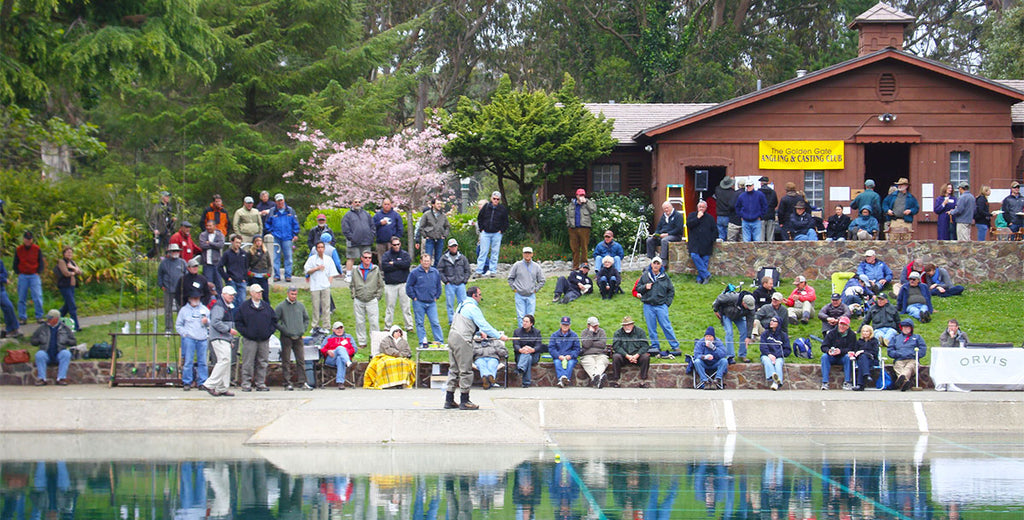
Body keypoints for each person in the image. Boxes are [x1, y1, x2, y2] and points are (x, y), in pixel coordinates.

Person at [445, 286, 508, 409]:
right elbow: (484, 324)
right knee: (466, 370)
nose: (481, 297)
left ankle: (449, 399)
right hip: (463, 339)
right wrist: (499, 336)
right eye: (479, 294)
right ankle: (465, 400)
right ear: (474, 295)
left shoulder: (461, 305)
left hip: (452, 337)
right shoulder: (472, 308)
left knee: (454, 370)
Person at [636, 257, 680, 358]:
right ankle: (655, 346)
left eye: (658, 264)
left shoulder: (665, 277)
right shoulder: (645, 276)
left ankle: (675, 346)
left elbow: (671, 291)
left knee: (666, 326)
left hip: (661, 306)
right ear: (651, 265)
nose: (656, 265)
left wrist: (666, 303)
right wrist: (645, 287)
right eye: (654, 263)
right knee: (651, 328)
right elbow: (638, 288)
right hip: (648, 305)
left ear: (661, 266)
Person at [236, 284, 276, 392]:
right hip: (250, 340)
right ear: (252, 293)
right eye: (257, 292)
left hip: (264, 339)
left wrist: (269, 332)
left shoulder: (266, 306)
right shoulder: (244, 307)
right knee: (248, 362)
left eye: (261, 292)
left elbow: (274, 320)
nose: (260, 294)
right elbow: (238, 322)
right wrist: (246, 333)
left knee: (263, 362)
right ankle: (246, 383)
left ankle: (260, 383)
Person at [275, 286, 311, 390]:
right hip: (286, 337)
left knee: (301, 360)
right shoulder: (281, 306)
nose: (294, 296)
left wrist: (302, 329)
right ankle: (287, 382)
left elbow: (306, 319)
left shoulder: (300, 306)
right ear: (288, 294)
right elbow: (275, 321)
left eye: (295, 294)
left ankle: (302, 382)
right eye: (292, 294)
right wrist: (284, 329)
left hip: (298, 336)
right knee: (286, 360)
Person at [204, 285, 238, 397]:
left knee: (226, 361)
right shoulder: (219, 306)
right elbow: (215, 322)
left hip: (225, 338)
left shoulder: (227, 306)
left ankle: (222, 388)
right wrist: (229, 330)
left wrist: (230, 339)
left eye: (233, 295)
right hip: (219, 337)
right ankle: (210, 384)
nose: (232, 297)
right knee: (224, 360)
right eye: (230, 294)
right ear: (223, 294)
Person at [406, 253, 444, 347]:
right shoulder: (414, 273)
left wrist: (437, 296)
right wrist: (414, 297)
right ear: (421, 261)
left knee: (435, 322)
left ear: (430, 262)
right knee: (420, 323)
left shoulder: (435, 272)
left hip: (431, 303)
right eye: (424, 261)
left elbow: (438, 286)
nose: (426, 263)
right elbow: (409, 286)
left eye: (428, 261)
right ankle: (422, 342)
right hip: (419, 302)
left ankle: (440, 341)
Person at [176, 291, 210, 391]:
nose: (196, 300)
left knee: (203, 362)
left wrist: (206, 322)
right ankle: (187, 382)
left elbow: (210, 323)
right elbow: (178, 325)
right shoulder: (183, 310)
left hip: (202, 339)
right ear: (189, 299)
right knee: (188, 361)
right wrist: (185, 334)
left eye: (197, 298)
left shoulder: (205, 309)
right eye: (194, 298)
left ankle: (203, 382)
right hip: (189, 338)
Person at [31, 309, 76, 385]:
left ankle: (61, 378)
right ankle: (42, 379)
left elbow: (73, 341)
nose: (48, 320)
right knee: (39, 354)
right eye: (48, 318)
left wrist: (66, 341)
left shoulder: (65, 328)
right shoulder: (42, 328)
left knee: (66, 353)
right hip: (46, 353)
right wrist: (38, 341)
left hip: (59, 353)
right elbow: (33, 340)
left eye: (50, 318)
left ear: (56, 319)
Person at [363, 325, 415, 389]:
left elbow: (407, 351)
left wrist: (401, 355)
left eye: (399, 332)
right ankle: (385, 383)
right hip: (387, 356)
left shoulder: (404, 342)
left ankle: (401, 383)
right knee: (385, 363)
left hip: (401, 357)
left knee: (405, 363)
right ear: (392, 332)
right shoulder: (386, 340)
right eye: (396, 332)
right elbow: (386, 349)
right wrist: (397, 353)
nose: (398, 333)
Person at [350, 250, 384, 348]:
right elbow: (352, 284)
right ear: (361, 258)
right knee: (359, 322)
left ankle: (375, 342)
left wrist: (377, 297)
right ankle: (362, 342)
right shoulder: (356, 270)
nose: (367, 259)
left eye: (369, 258)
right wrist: (354, 295)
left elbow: (380, 284)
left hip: (372, 299)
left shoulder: (375, 269)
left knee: (374, 322)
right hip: (359, 299)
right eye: (365, 257)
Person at [304, 242, 339, 333]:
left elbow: (332, 273)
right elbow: (307, 271)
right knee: (316, 306)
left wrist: (329, 283)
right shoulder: (311, 259)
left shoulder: (328, 259)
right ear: (316, 249)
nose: (320, 249)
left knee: (326, 306)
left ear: (324, 249)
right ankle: (315, 325)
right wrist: (316, 268)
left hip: (325, 286)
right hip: (315, 286)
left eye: (322, 247)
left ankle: (326, 326)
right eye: (318, 247)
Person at [712, 290, 755, 363]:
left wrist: (748, 336)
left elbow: (750, 322)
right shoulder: (733, 297)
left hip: (739, 316)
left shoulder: (750, 308)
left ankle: (742, 355)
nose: (749, 308)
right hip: (726, 314)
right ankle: (730, 356)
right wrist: (716, 310)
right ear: (743, 302)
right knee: (729, 332)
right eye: (748, 306)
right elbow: (719, 298)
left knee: (745, 331)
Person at [380, 236, 414, 330]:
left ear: (400, 244)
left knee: (406, 307)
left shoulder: (405, 254)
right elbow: (385, 266)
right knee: (390, 307)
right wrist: (399, 265)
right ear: (391, 245)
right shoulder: (386, 255)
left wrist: (393, 263)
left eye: (398, 244)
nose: (396, 246)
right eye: (394, 245)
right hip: (390, 285)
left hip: (403, 284)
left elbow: (407, 264)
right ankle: (387, 326)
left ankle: (409, 326)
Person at [265, 194, 300, 282]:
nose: (280, 202)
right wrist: (271, 232)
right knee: (275, 257)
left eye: (281, 200)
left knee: (288, 257)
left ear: (284, 200)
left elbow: (295, 223)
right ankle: (276, 275)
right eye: (278, 201)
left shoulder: (290, 211)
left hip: (287, 237)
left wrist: (295, 234)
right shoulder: (272, 211)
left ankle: (288, 275)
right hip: (276, 237)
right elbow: (267, 223)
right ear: (275, 202)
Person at [507, 246, 545, 325]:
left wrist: (536, 289)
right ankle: (521, 333)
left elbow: (542, 280)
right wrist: (514, 289)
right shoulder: (517, 265)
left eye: (529, 253)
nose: (527, 255)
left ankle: (530, 333)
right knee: (520, 316)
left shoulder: (536, 266)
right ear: (523, 254)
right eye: (525, 253)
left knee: (531, 316)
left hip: (531, 295)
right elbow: (510, 278)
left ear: (532, 254)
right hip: (519, 295)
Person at [609, 315, 649, 388]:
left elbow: (645, 346)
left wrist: (637, 355)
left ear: (632, 324)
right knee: (616, 357)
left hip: (637, 356)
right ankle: (617, 381)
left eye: (628, 325)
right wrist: (627, 356)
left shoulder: (640, 332)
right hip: (624, 356)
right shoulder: (618, 333)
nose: (627, 327)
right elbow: (616, 346)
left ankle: (643, 381)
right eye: (625, 325)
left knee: (646, 357)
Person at [475, 191, 509, 277]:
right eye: (494, 199)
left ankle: (493, 271)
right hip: (485, 233)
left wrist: (501, 230)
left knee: (495, 252)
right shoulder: (486, 207)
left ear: (499, 200)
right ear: (491, 198)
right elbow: (480, 218)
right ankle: (479, 270)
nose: (495, 201)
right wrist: (481, 228)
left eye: (497, 199)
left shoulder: (502, 209)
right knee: (483, 252)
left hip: (496, 233)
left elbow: (506, 221)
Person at [14, 231, 45, 324]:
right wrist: (18, 272)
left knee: (37, 296)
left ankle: (39, 316)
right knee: (21, 298)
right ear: (23, 239)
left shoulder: (37, 249)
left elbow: (41, 262)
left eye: (30, 239)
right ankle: (22, 317)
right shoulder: (19, 249)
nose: (28, 241)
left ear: (32, 239)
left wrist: (38, 272)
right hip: (23, 275)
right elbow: (16, 262)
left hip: (33, 275)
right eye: (26, 239)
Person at [438, 238, 471, 326]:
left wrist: (464, 280)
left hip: (461, 284)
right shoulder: (444, 258)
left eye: (455, 246)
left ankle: (463, 321)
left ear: (457, 246)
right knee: (450, 304)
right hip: (450, 285)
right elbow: (440, 270)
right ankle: (451, 322)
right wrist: (446, 281)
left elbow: (467, 270)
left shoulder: (462, 258)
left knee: (463, 304)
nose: (454, 248)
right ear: (448, 247)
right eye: (452, 246)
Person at [341, 198, 375, 281]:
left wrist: (371, 235)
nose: (357, 204)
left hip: (366, 241)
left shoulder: (366, 214)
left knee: (366, 258)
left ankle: (366, 275)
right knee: (351, 258)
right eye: (355, 202)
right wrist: (351, 238)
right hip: (353, 242)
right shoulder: (347, 215)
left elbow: (372, 226)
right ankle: (348, 275)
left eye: (359, 202)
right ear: (352, 203)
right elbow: (345, 228)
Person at [888, 319, 926, 391]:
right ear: (901, 328)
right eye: (904, 327)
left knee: (909, 367)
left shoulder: (917, 337)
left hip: (912, 359)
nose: (906, 329)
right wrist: (897, 354)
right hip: (899, 359)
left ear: (911, 328)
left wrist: (914, 354)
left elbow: (923, 349)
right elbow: (890, 350)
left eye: (908, 327)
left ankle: (902, 379)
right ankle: (905, 382)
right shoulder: (896, 338)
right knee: (898, 366)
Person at [819, 316, 857, 390]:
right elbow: (823, 346)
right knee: (824, 357)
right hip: (832, 357)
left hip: (843, 357)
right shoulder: (831, 333)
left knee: (848, 357)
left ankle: (847, 382)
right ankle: (825, 382)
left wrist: (840, 351)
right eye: (840, 324)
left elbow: (852, 348)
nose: (842, 326)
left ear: (848, 326)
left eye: (844, 325)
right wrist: (828, 351)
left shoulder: (852, 335)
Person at [157, 243, 188, 333]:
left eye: (177, 251)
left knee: (181, 310)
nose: (175, 252)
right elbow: (160, 275)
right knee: (168, 310)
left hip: (180, 290)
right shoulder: (164, 263)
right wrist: (161, 285)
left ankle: (181, 327)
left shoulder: (182, 262)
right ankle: (168, 328)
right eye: (173, 251)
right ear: (169, 252)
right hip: (168, 289)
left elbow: (186, 275)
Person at [686, 199, 717, 284]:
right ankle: (706, 275)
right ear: (697, 207)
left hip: (706, 244)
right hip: (695, 243)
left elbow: (714, 230)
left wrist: (711, 240)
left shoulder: (710, 218)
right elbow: (689, 225)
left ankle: (700, 279)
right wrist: (697, 218)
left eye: (703, 207)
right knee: (694, 256)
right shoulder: (692, 215)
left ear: (706, 208)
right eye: (700, 207)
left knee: (704, 261)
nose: (701, 208)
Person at [566, 188, 597, 269]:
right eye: (580, 195)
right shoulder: (571, 204)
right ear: (576, 196)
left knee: (584, 247)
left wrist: (586, 202)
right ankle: (575, 266)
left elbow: (593, 210)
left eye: (583, 195)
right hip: (573, 228)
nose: (581, 196)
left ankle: (584, 265)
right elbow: (567, 215)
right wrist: (568, 224)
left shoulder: (588, 203)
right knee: (574, 248)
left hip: (584, 228)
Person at [320, 321, 356, 389]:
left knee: (340, 358)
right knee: (340, 348)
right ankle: (348, 363)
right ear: (333, 330)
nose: (339, 330)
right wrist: (327, 351)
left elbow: (354, 349)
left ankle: (340, 383)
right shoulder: (328, 338)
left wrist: (344, 353)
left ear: (343, 329)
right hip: (331, 358)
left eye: (341, 328)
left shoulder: (348, 337)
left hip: (342, 358)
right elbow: (322, 348)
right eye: (337, 328)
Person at [758, 316, 790, 391]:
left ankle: (776, 383)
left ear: (778, 323)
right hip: (766, 355)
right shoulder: (765, 334)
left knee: (778, 363)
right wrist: (769, 354)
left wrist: (777, 356)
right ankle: (775, 379)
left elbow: (787, 350)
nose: (771, 322)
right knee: (766, 361)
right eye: (771, 320)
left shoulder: (783, 335)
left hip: (778, 356)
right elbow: (762, 346)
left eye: (774, 321)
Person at [415, 198, 450, 265]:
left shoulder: (443, 215)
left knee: (438, 258)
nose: (439, 205)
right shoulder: (426, 214)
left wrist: (444, 235)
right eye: (438, 204)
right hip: (430, 239)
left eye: (440, 204)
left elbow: (447, 226)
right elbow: (421, 226)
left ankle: (436, 273)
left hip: (440, 239)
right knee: (428, 257)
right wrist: (425, 236)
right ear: (433, 205)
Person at [548, 316, 581, 388]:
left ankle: (562, 379)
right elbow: (551, 348)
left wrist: (571, 356)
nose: (565, 326)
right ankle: (564, 379)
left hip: (570, 357)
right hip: (559, 357)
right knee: (557, 362)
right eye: (563, 324)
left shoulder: (574, 335)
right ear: (560, 325)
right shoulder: (554, 335)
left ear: (569, 325)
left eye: (567, 325)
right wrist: (558, 356)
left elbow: (577, 349)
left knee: (571, 363)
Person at [513, 314, 544, 387]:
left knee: (529, 357)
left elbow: (539, 345)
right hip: (520, 355)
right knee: (528, 358)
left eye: (526, 322)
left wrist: (532, 350)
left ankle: (520, 368)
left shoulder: (537, 332)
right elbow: (515, 345)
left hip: (534, 355)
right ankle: (525, 381)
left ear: (531, 324)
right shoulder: (517, 332)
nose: (524, 323)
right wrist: (521, 350)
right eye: (523, 321)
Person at [55, 246, 82, 331]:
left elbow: (80, 272)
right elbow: (65, 273)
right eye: (68, 252)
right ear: (64, 253)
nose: (70, 254)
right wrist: (74, 271)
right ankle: (76, 326)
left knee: (66, 306)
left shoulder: (72, 262)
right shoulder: (61, 262)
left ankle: (54, 319)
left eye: (71, 252)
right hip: (64, 286)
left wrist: (73, 268)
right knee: (72, 306)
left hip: (72, 286)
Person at [579, 316, 610, 388]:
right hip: (588, 355)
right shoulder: (584, 333)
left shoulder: (601, 332)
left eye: (597, 325)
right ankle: (598, 379)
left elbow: (602, 344)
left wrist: (591, 342)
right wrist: (590, 333)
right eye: (594, 326)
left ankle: (595, 379)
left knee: (602, 362)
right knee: (589, 363)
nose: (596, 327)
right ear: (588, 326)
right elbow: (586, 345)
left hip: (600, 354)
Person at [0, 250, 22, 338]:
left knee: (8, 307)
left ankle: (13, 329)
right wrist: (4, 279)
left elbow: (5, 273)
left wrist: (3, 279)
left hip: (1, 289)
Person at [851, 324, 879, 391]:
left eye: (867, 331)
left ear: (870, 332)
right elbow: (856, 352)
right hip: (861, 360)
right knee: (862, 360)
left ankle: (860, 385)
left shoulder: (874, 341)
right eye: (863, 331)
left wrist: (863, 351)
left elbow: (874, 352)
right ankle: (866, 375)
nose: (865, 333)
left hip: (872, 360)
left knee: (863, 358)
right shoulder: (859, 341)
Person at [199, 220, 225, 290]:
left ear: (214, 226)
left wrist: (210, 243)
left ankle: (220, 299)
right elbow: (202, 245)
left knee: (219, 284)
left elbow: (221, 245)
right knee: (208, 284)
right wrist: (214, 245)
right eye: (207, 226)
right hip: (207, 264)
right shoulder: (203, 235)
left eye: (210, 226)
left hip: (217, 264)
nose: (208, 227)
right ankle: (209, 299)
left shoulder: (219, 235)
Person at [255, 190, 277, 271]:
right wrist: (260, 213)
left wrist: (268, 212)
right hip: (262, 226)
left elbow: (275, 212)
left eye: (266, 196)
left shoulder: (272, 204)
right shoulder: (259, 206)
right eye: (263, 196)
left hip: (270, 226)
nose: (264, 198)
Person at [714, 176, 737, 241]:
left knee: (721, 235)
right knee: (728, 235)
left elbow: (718, 187)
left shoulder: (717, 190)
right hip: (727, 215)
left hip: (719, 215)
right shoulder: (732, 192)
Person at [759, 176, 779, 241]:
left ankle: (761, 249)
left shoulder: (758, 192)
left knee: (761, 235)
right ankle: (770, 249)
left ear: (761, 183)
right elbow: (775, 203)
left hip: (761, 215)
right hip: (770, 215)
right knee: (770, 235)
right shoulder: (773, 192)